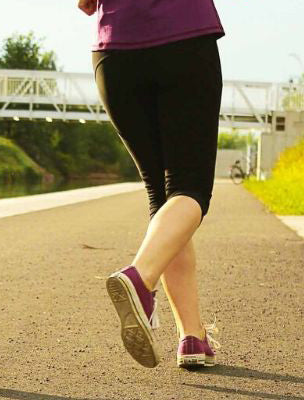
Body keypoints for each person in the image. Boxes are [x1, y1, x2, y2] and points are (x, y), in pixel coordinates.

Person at [78, 0, 224, 368]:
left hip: (114, 54)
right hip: (184, 38)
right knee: (190, 190)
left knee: (164, 197)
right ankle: (140, 279)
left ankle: (192, 335)